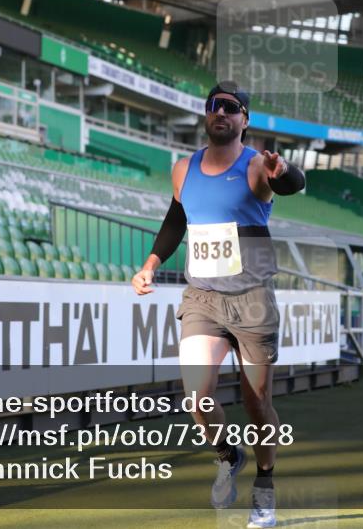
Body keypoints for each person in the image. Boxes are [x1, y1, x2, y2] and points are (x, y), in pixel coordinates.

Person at [131, 82, 306, 529]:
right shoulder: (182, 169)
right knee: (196, 395)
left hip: (251, 299)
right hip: (203, 297)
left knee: (257, 402)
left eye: (230, 107)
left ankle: (265, 488)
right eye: (213, 106)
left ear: (244, 119)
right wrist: (151, 263)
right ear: (206, 116)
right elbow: (176, 219)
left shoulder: (257, 167)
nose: (220, 113)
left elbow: (292, 185)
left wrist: (282, 170)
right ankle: (229, 454)